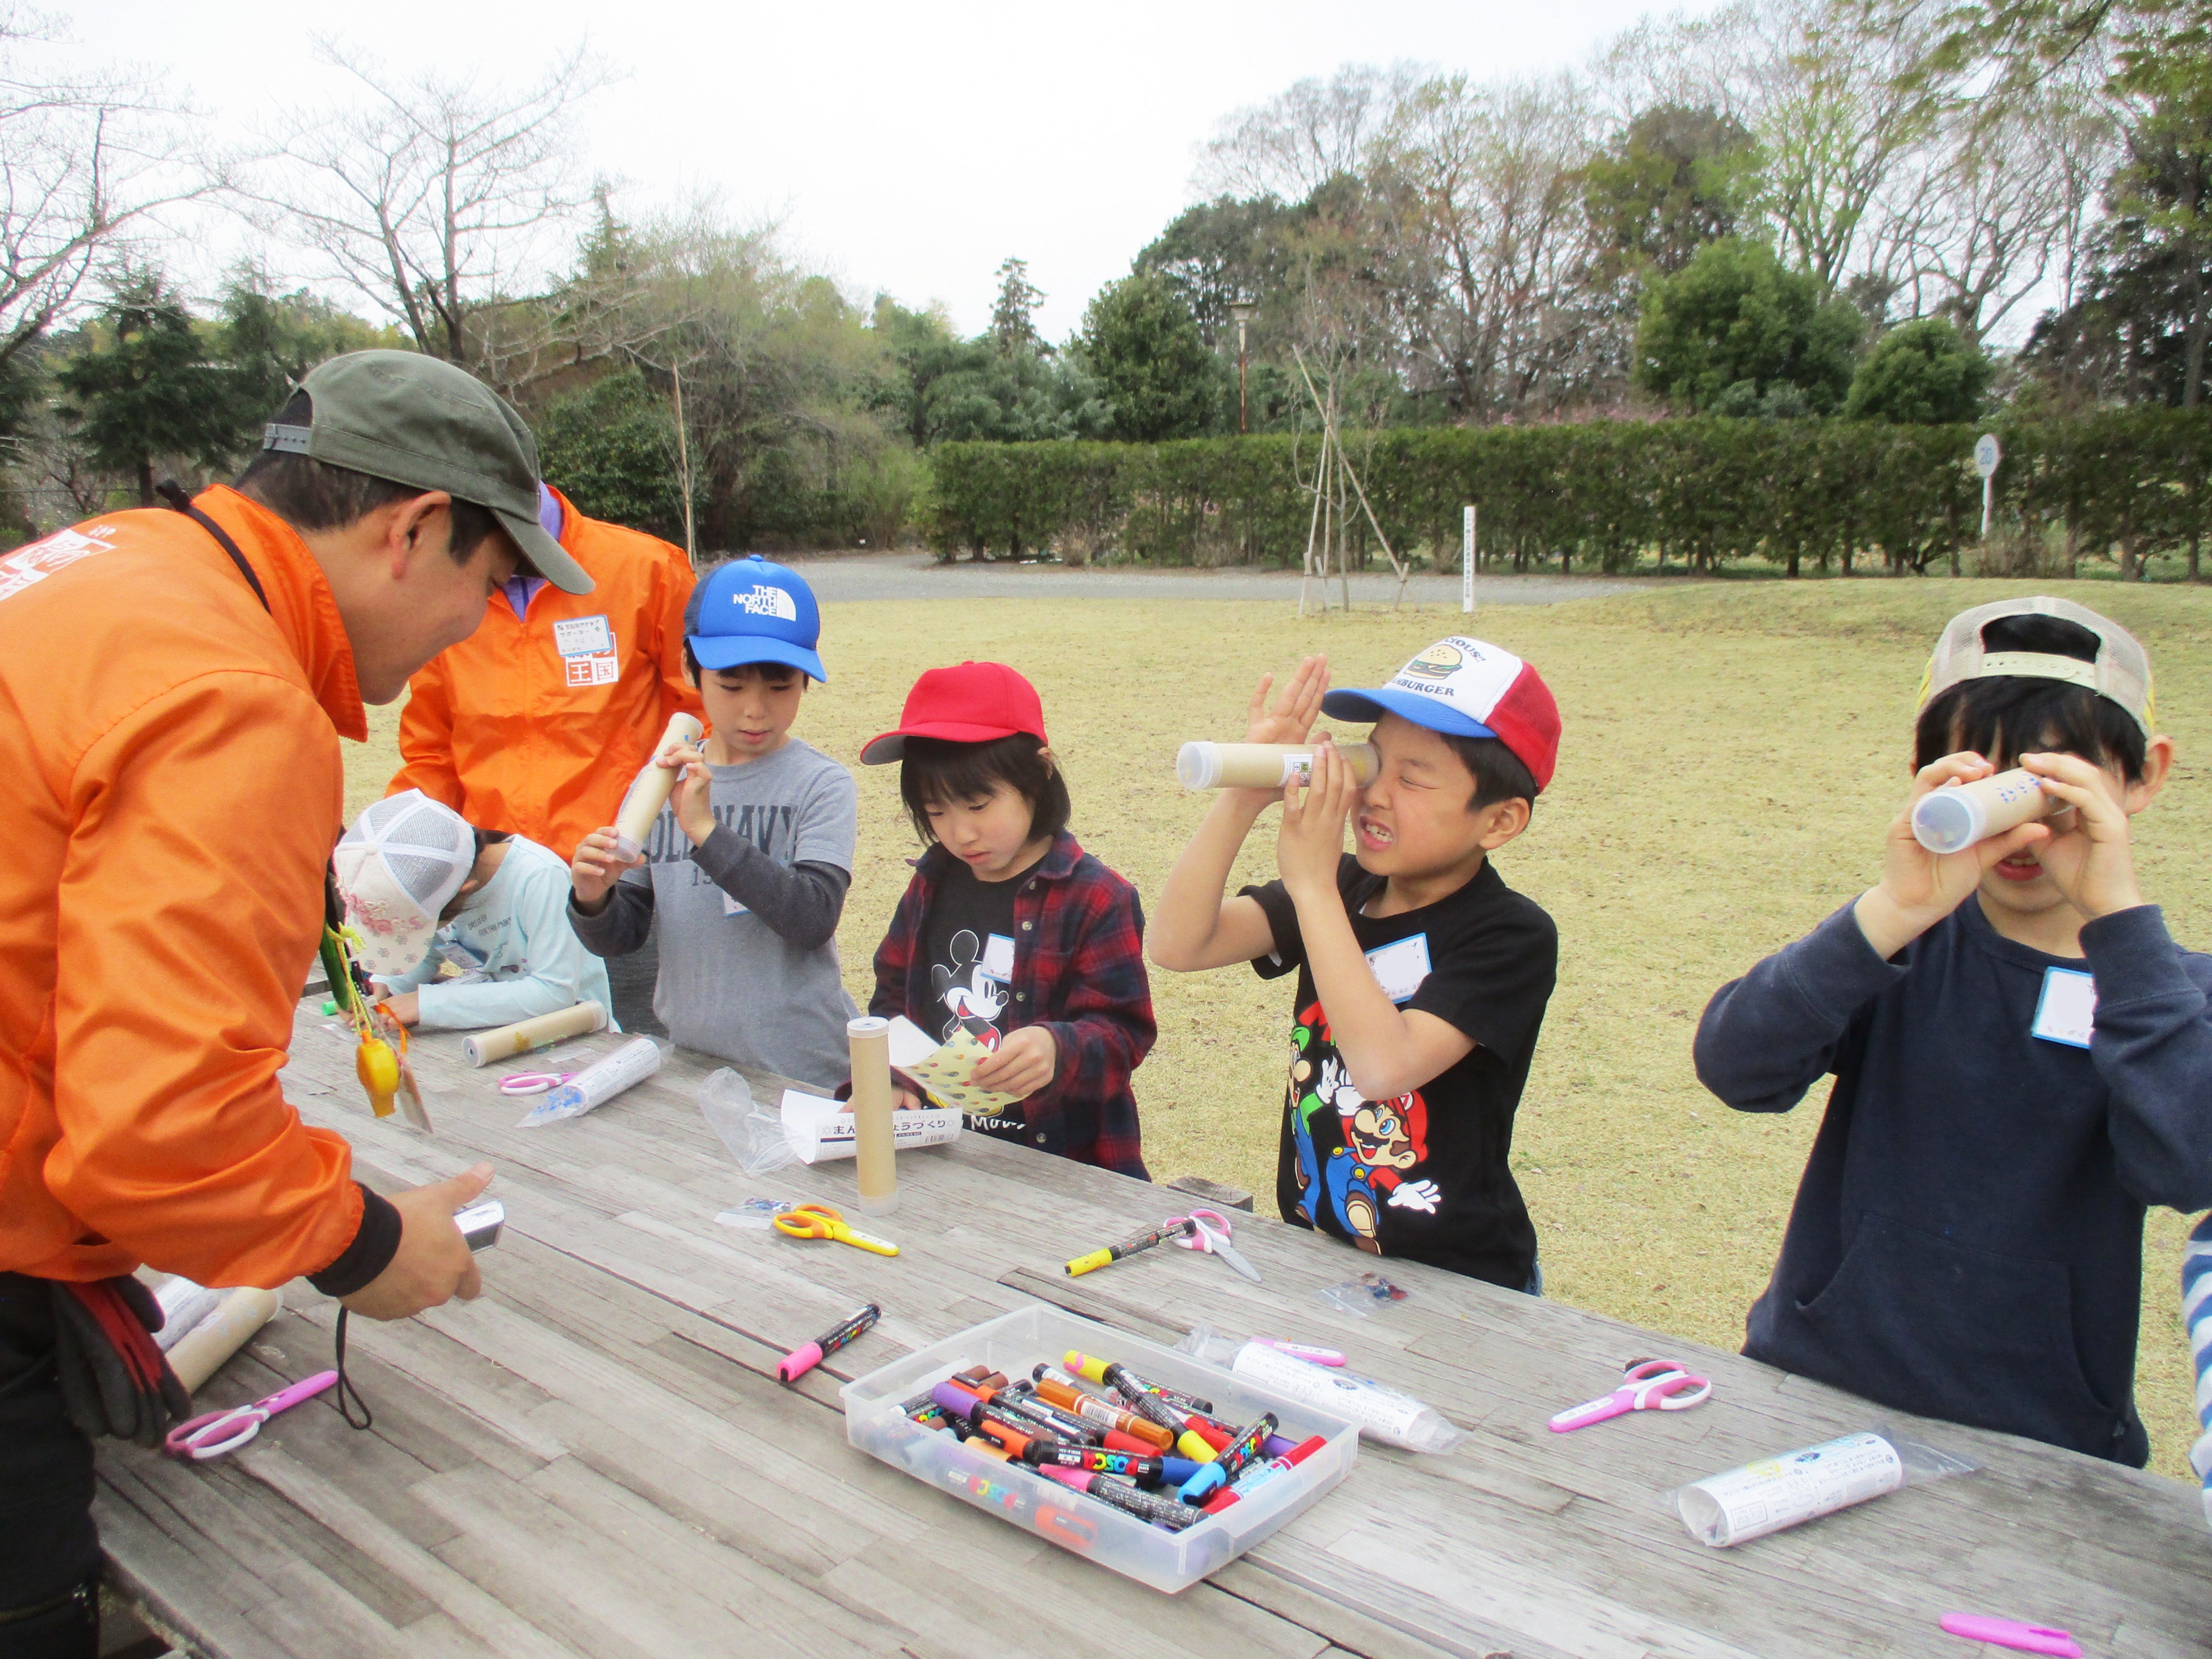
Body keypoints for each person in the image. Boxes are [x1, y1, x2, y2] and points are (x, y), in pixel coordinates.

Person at [0, 349, 594, 1657]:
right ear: (412, 529)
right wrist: (367, 1240)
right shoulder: (233, 693)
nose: (480, 629)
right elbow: (159, 1124)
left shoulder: (110, 565)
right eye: (492, 587)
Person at [1694, 597, 2212, 1466]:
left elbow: (2188, 1161)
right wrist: (1892, 911)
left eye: (2055, 788)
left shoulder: (2165, 989)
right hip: (1817, 1382)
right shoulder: (1903, 944)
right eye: (1986, 787)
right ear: (1925, 772)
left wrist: (2118, 924)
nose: (2021, 829)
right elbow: (1737, 1066)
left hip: (2047, 1435)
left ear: (2142, 777)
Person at [1150, 640, 1561, 1291]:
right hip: (1321, 1255)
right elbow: (1178, 944)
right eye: (1371, 761)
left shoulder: (1510, 935)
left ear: (1500, 820)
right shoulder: (1346, 889)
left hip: (1462, 1281)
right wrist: (1244, 797)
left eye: (1415, 777)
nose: (1373, 793)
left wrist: (1311, 887)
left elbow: (1382, 1068)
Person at [386, 482, 699, 1033]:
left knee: (649, 1080)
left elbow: (703, 718)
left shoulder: (644, 570)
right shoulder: (448, 591)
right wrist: (405, 864)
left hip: (619, 898)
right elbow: (432, 753)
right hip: (504, 907)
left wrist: (648, 847)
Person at [567, 556, 858, 1090]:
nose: (755, 709)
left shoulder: (821, 784)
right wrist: (593, 899)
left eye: (779, 685)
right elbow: (625, 933)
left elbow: (813, 917)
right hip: (694, 1063)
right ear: (689, 667)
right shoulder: (659, 782)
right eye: (731, 684)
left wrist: (706, 831)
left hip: (805, 1068)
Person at [860, 661, 1155, 1176]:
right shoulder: (930, 885)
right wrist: (891, 1080)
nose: (960, 833)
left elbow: (1124, 1034)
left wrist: (1055, 1048)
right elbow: (891, 999)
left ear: (1038, 772)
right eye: (936, 811)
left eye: (977, 804)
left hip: (1065, 1169)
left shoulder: (1098, 897)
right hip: (944, 1155)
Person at [333, 790, 613, 1032]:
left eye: (423, 925)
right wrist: (386, 986)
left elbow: (554, 993)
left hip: (579, 1041)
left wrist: (423, 1004)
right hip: (495, 1036)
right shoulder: (443, 882)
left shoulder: (541, 878)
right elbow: (425, 953)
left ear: (465, 889)